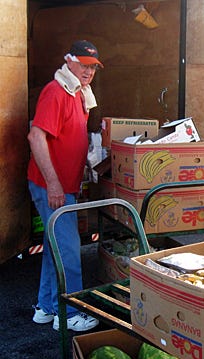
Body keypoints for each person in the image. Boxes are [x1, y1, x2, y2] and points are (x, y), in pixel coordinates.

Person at [27, 40, 104, 332]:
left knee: (54, 247)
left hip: (63, 186)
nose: (88, 71)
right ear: (69, 61)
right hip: (51, 188)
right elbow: (36, 138)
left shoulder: (79, 94)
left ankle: (46, 308)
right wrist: (55, 184)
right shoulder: (56, 92)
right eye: (83, 64)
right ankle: (70, 314)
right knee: (70, 250)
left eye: (93, 67)